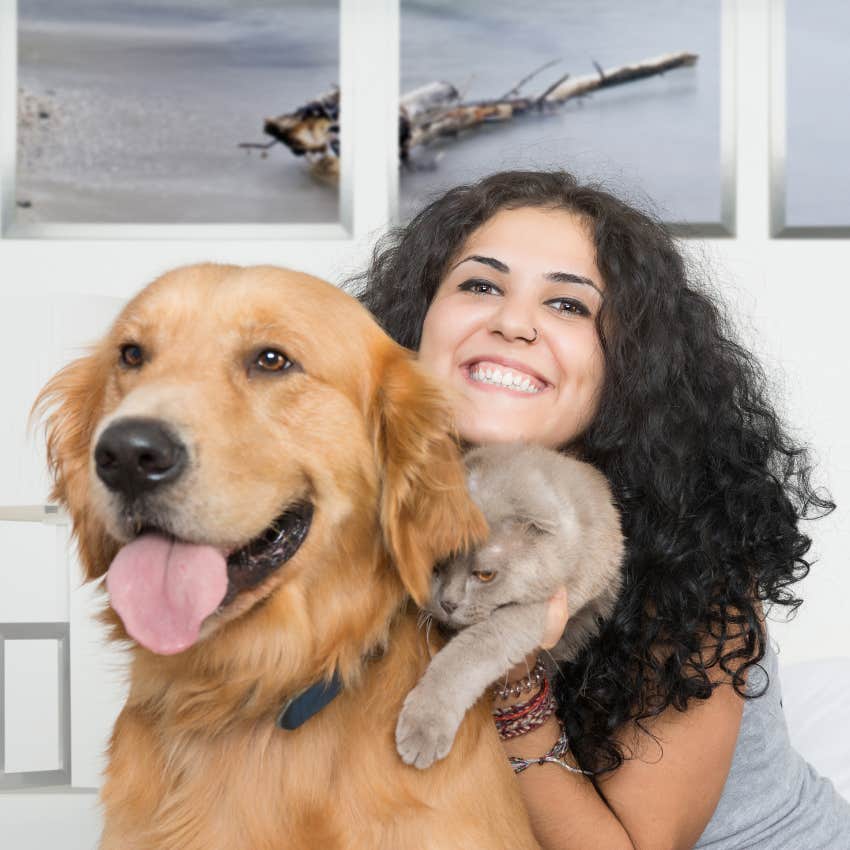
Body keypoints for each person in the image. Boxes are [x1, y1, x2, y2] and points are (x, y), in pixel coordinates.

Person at [349, 170, 850, 849]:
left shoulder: (687, 550)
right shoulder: (352, 509)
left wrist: (511, 673)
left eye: (568, 305)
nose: (513, 322)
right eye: (481, 286)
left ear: (628, 365)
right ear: (418, 323)